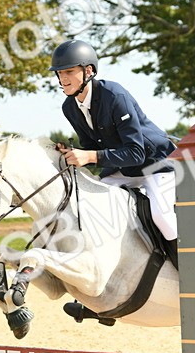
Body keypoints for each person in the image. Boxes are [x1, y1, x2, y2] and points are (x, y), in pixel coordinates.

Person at [51, 39, 177, 244]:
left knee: (163, 219)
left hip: (156, 164)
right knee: (92, 206)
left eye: (68, 72)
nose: (62, 78)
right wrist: (74, 154)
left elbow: (136, 153)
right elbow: (93, 149)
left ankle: (187, 271)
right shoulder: (69, 107)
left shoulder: (114, 95)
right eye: (59, 73)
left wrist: (90, 156)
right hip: (123, 170)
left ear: (88, 71)